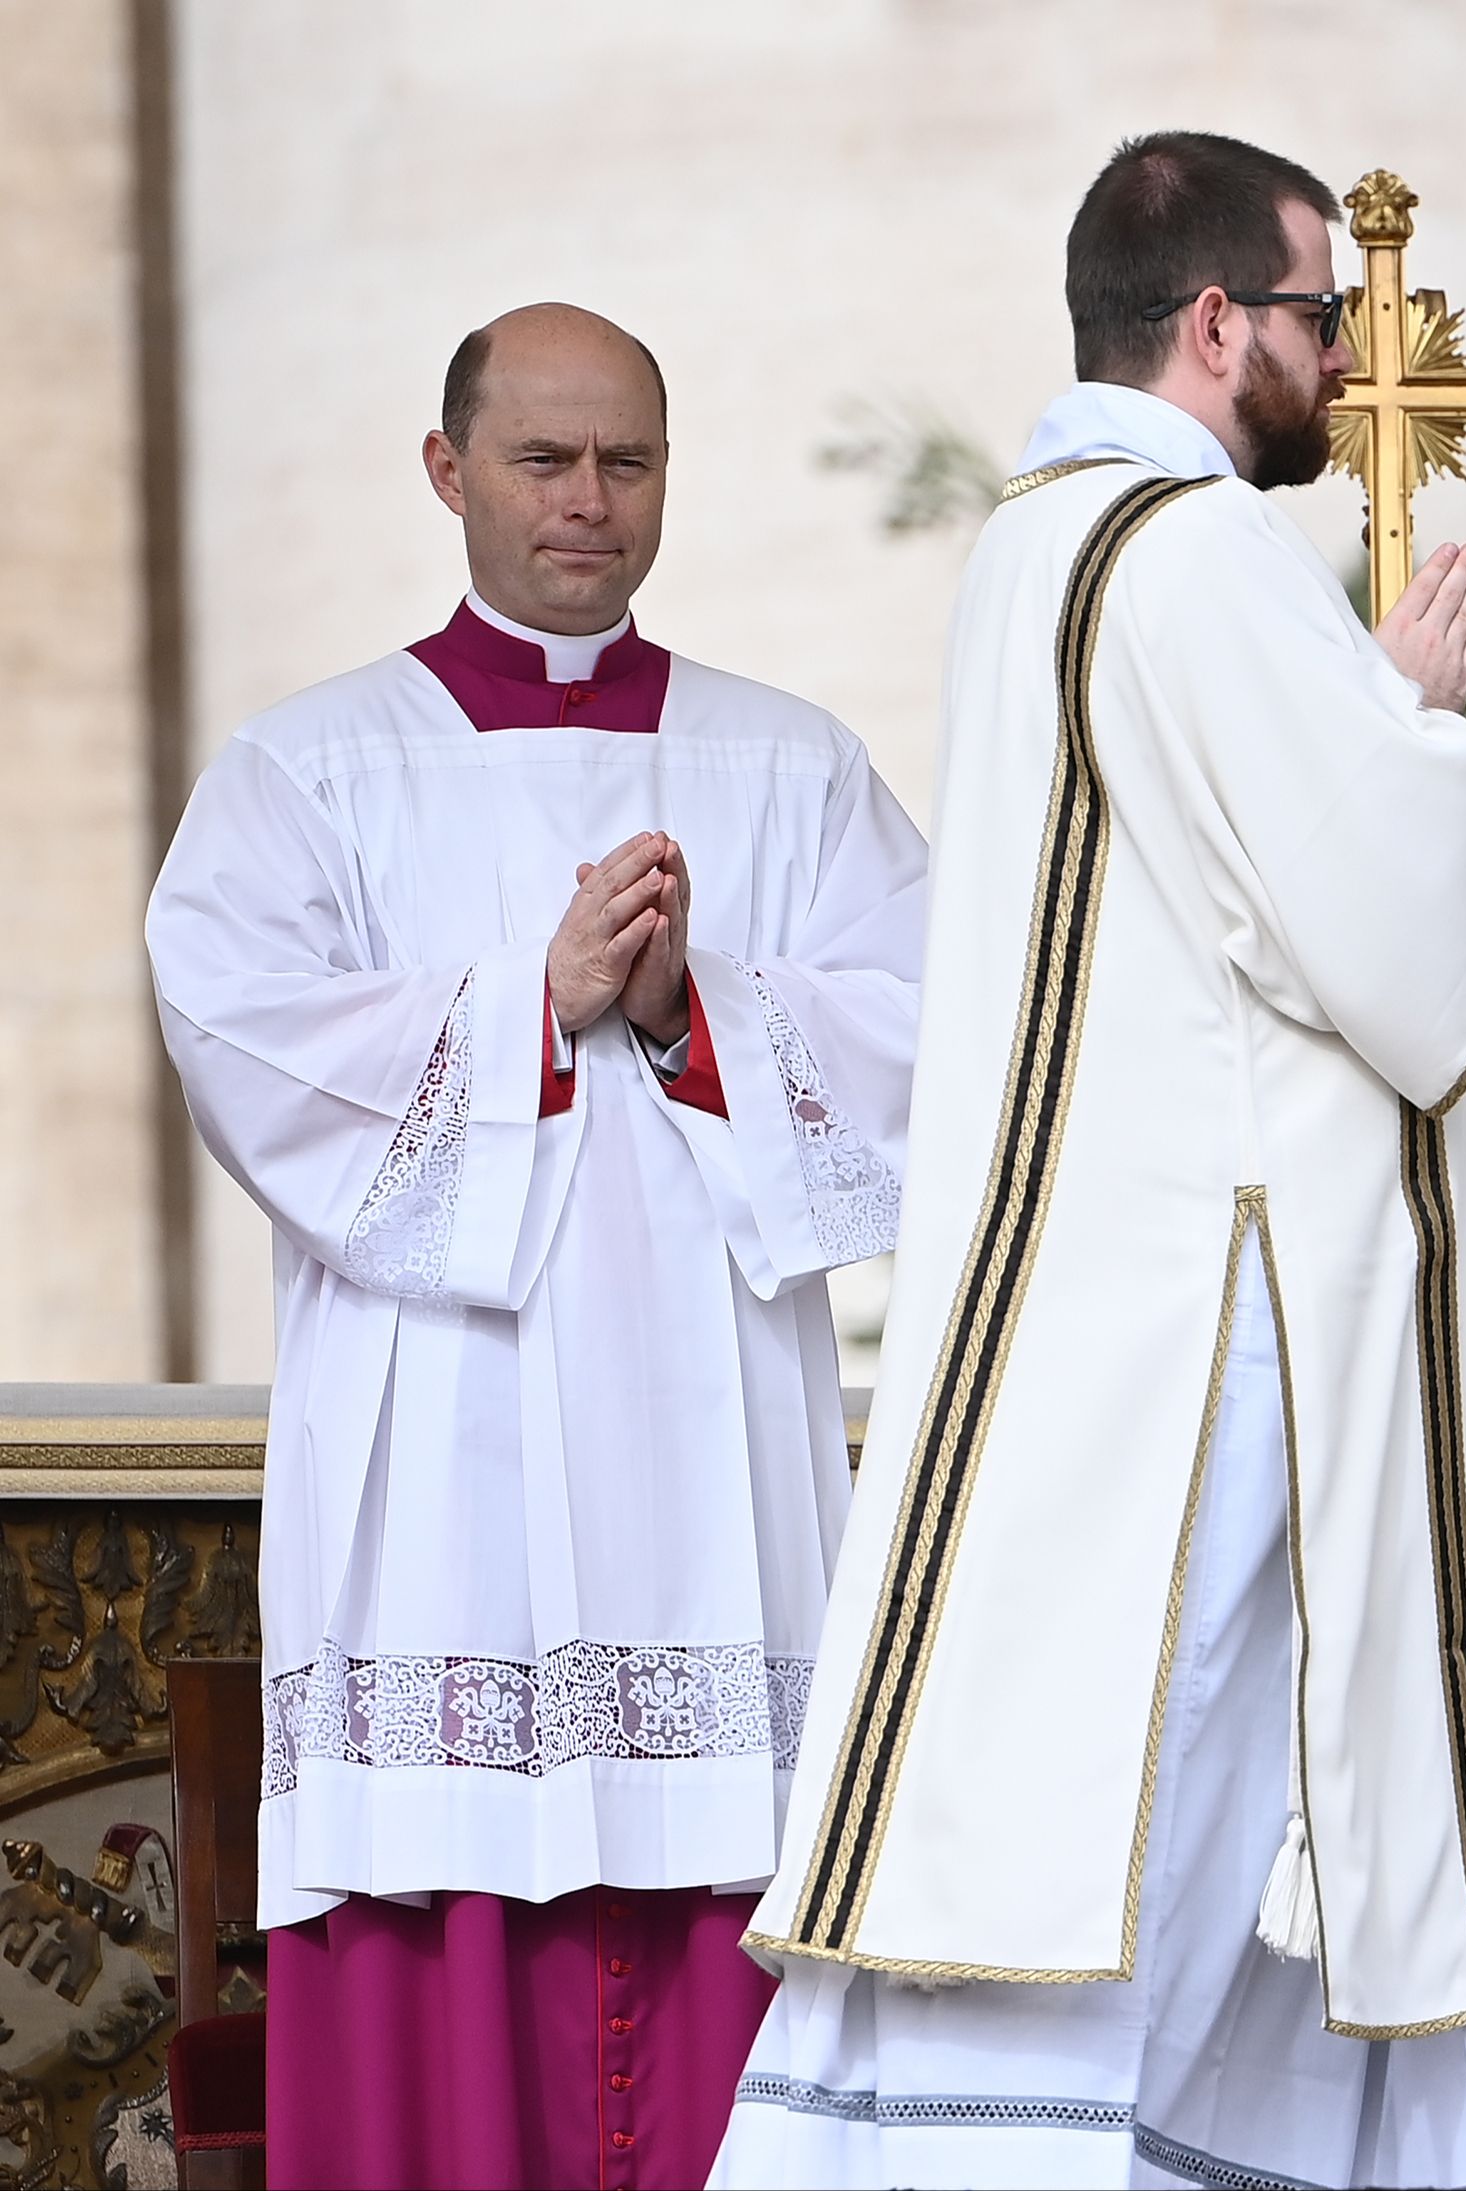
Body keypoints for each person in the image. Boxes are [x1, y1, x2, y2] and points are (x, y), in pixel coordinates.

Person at [712, 131, 1466, 2189]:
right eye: (1316, 322)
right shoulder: (1185, 556)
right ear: (1212, 326)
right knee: (1189, 1796)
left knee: (1132, 1816)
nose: (1351, 369)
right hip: (1207, 1327)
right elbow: (1385, 951)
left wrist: (1353, 728)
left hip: (1097, 1301)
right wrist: (1422, 730)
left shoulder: (1036, 541)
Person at [144, 303, 928, 2188]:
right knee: (451, 1956)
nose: (590, 501)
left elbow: (944, 1036)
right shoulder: (307, 769)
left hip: (718, 1475)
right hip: (446, 1498)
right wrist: (531, 1009)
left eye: (629, 461)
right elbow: (236, 1028)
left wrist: (694, 1014)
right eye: (544, 459)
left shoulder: (789, 767)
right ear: (448, 471)